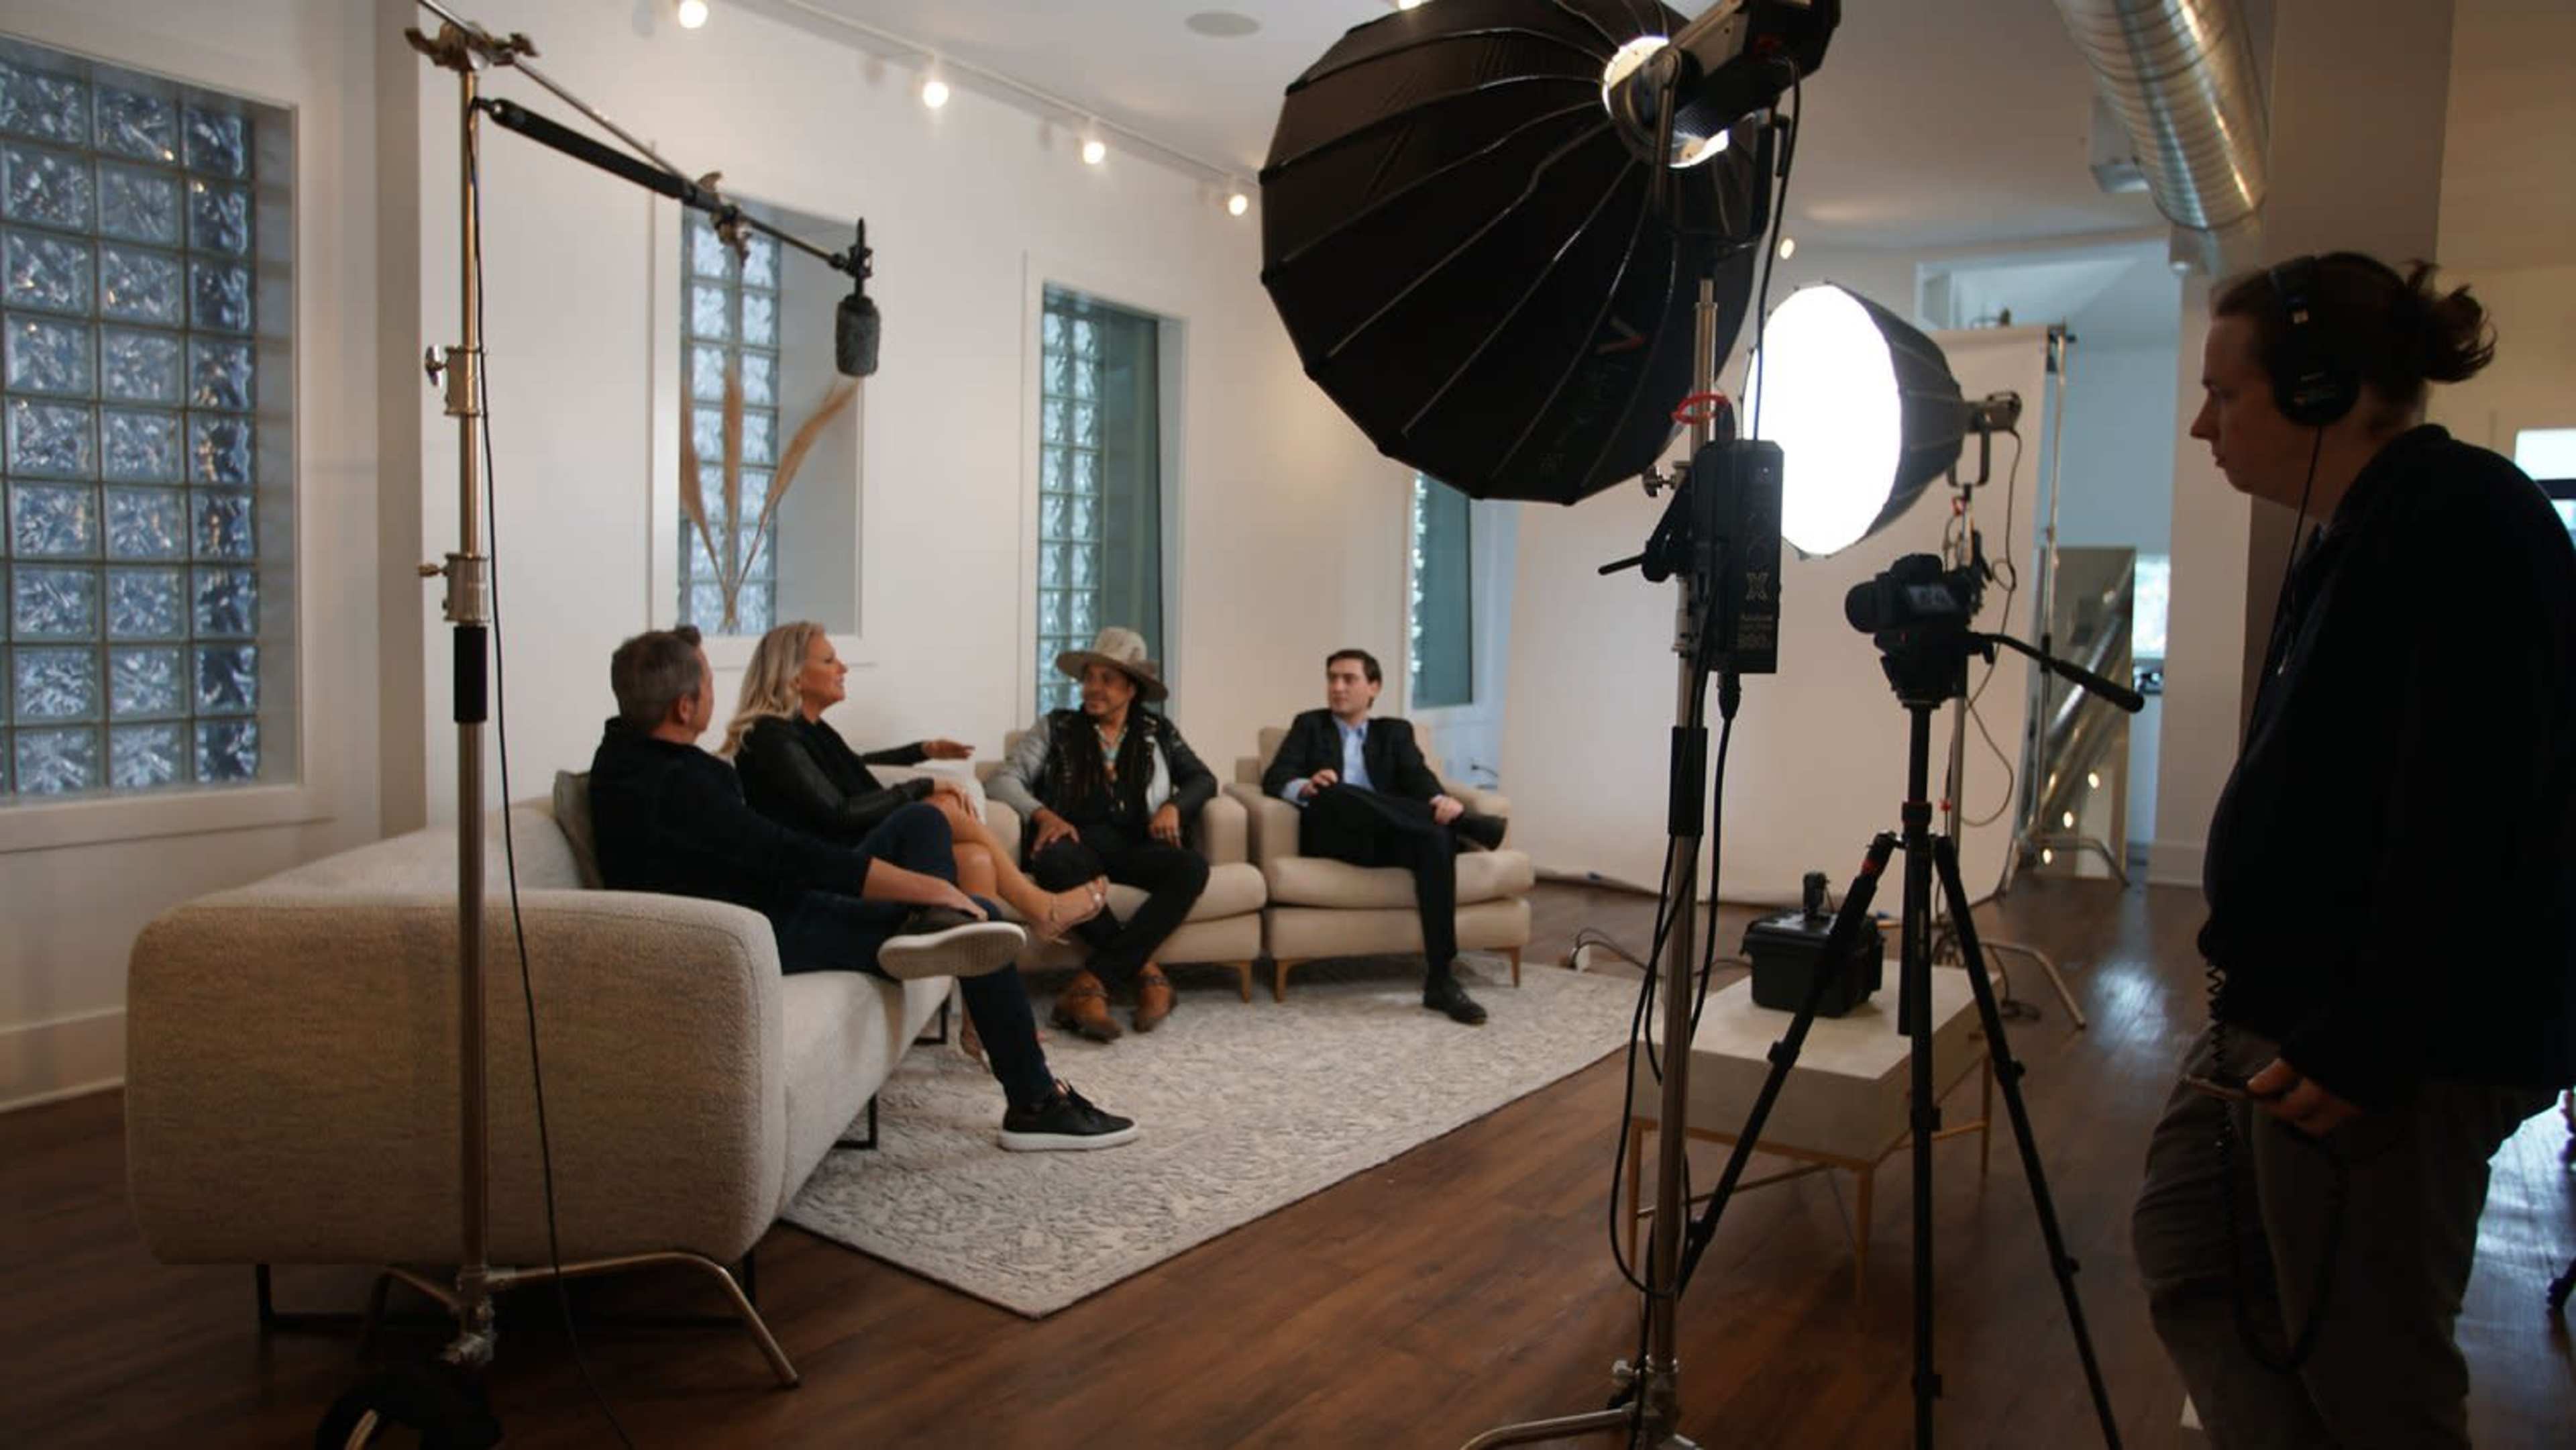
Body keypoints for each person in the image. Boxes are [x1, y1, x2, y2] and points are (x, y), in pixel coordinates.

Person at [2131, 252, 2575, 1447]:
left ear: (2323, 391)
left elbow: (2486, 804)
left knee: (2372, 1369)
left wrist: (2378, 1029)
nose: (2200, 423)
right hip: (2289, 1018)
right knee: (2191, 1251)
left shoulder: (2466, 519)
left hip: (2380, 1054)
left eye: (2226, 394)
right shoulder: (2361, 529)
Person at [587, 625, 1136, 1151]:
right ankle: (1037, 1103)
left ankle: (937, 938)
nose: (714, 693)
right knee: (981, 918)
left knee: (927, 827)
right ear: (684, 708)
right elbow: (788, 853)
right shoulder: (683, 783)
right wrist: (928, 890)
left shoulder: (626, 759)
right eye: (707, 683)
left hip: (760, 907)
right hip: (759, 929)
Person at [722, 621, 1109, 945]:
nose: (843, 667)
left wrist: (921, 750)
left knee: (977, 859)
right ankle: (1042, 907)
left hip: (853, 848)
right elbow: (838, 812)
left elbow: (854, 765)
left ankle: (977, 1023)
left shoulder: (812, 732)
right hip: (830, 867)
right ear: (793, 676)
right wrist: (923, 786)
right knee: (938, 808)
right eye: (829, 660)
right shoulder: (770, 737)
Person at [987, 627, 1216, 1042]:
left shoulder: (1157, 732)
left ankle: (1091, 982)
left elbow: (1203, 779)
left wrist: (1173, 807)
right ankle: (1145, 975)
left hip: (1136, 844)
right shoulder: (1055, 727)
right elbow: (1003, 782)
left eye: (1106, 680)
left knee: (1191, 868)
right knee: (1055, 861)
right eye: (1089, 678)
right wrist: (1042, 815)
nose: (1093, 688)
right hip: (1077, 846)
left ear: (1132, 688)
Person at [1259, 649, 1508, 1026]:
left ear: (1373, 687)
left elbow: (1418, 777)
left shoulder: (1394, 732)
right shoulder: (1309, 725)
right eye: (1332, 678)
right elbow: (1275, 778)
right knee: (1335, 791)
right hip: (1336, 837)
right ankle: (1469, 826)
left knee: (1436, 839)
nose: (1337, 687)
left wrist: (1440, 800)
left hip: (1390, 837)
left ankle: (1441, 979)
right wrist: (1306, 786)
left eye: (1349, 679)